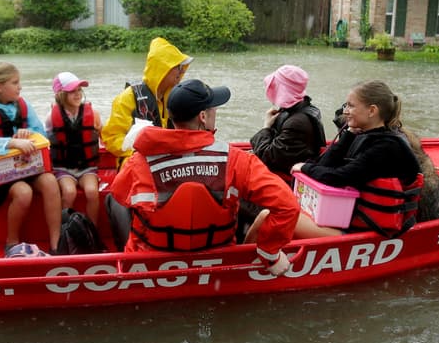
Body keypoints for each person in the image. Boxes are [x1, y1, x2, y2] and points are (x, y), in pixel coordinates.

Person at [110, 78, 298, 276]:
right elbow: (288, 206)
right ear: (202, 116)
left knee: (112, 203)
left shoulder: (139, 161)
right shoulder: (237, 159)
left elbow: (118, 193)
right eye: (213, 108)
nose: (215, 111)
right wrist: (269, 253)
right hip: (218, 257)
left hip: (152, 264)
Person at [291, 80, 424, 239]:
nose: (345, 111)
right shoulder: (361, 135)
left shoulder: (387, 147)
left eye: (351, 106)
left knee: (277, 216)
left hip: (370, 230)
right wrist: (348, 134)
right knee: (280, 210)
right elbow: (323, 165)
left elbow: (337, 178)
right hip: (350, 219)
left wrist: (304, 168)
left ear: (372, 110)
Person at [0, 61, 62, 253]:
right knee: (23, 192)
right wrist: (11, 142)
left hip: (27, 167)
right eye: (15, 82)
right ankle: (12, 243)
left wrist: (28, 133)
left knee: (51, 181)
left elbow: (39, 131)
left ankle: (56, 243)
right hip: (0, 174)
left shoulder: (23, 104)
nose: (20, 87)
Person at [100, 36, 192, 164]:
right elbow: (111, 138)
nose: (181, 71)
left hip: (166, 160)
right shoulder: (127, 98)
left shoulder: (176, 96)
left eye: (182, 67)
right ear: (163, 69)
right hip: (136, 162)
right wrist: (137, 150)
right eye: (178, 67)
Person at [249, 64, 326, 181]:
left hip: (287, 181)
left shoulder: (297, 123)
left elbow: (267, 157)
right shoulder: (301, 109)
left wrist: (266, 127)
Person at [44, 71, 102, 225]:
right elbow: (44, 141)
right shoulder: (51, 117)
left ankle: (92, 231)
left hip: (87, 167)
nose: (77, 94)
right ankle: (66, 231)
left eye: (79, 90)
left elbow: (103, 135)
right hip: (64, 168)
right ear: (60, 95)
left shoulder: (93, 114)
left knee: (92, 192)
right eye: (72, 91)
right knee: (69, 193)